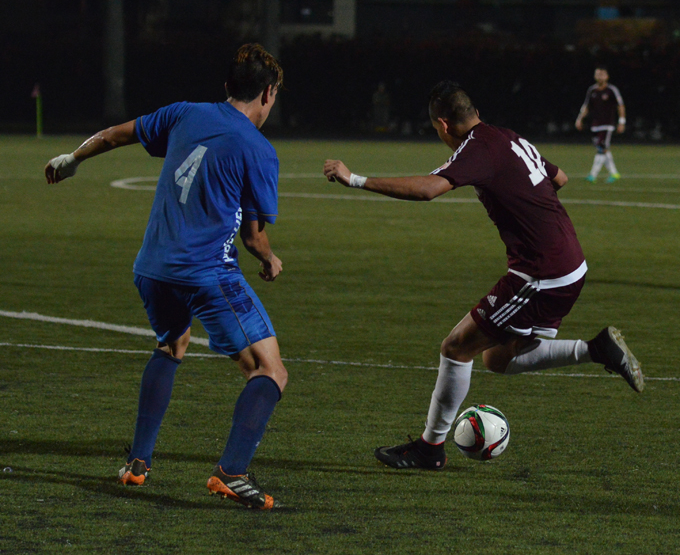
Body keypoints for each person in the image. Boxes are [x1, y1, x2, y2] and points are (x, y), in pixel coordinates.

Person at [323, 80, 643, 471]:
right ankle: (597, 349)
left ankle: (429, 448)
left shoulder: (478, 148)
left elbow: (428, 190)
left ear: (443, 124)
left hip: (539, 273)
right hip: (569, 265)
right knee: (497, 358)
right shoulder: (508, 138)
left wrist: (355, 179)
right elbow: (558, 179)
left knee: (456, 347)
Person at [45, 44, 287, 509]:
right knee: (270, 371)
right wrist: (269, 260)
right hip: (206, 274)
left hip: (152, 269)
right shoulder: (259, 150)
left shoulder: (184, 113)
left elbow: (117, 134)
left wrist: (72, 158)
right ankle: (231, 472)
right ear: (269, 93)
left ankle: (138, 464)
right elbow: (254, 238)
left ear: (226, 87)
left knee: (172, 345)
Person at [575, 66, 626, 183]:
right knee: (603, 149)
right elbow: (586, 106)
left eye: (602, 74)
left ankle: (593, 175)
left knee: (601, 148)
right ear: (594, 76)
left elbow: (621, 105)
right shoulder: (592, 90)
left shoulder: (611, 90)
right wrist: (579, 119)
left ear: (607, 76)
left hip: (607, 125)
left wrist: (622, 122)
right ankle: (614, 173)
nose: (600, 76)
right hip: (595, 125)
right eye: (598, 74)